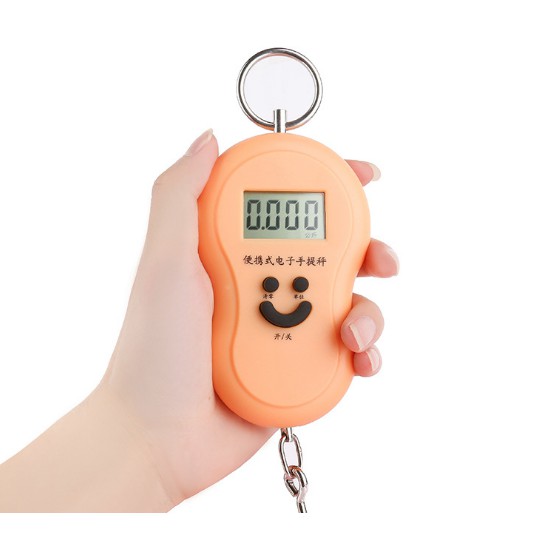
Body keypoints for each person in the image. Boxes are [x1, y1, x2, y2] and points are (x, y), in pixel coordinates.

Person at [0, 129, 399, 512]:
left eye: (303, 217)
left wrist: (143, 442)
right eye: (263, 214)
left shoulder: (293, 176)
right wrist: (144, 434)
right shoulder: (323, 179)